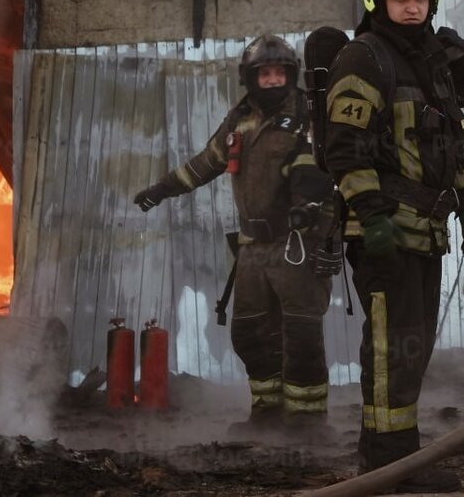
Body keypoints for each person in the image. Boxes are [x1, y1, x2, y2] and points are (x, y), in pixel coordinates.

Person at [323, 0, 464, 493]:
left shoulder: (431, 64)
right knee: (390, 349)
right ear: (379, 2)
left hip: (426, 231)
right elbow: (344, 149)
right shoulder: (364, 59)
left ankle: (395, 460)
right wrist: (372, 217)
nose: (412, 6)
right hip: (385, 231)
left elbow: (450, 145)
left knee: (412, 350)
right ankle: (388, 467)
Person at [133, 33, 340, 432]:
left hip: (296, 244)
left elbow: (317, 169)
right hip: (252, 249)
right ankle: (267, 412)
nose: (273, 80)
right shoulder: (239, 119)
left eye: (280, 73)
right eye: (265, 74)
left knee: (300, 335)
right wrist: (162, 189)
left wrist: (309, 206)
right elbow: (206, 162)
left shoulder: (308, 115)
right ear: (250, 78)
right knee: (250, 333)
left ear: (292, 75)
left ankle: (307, 420)